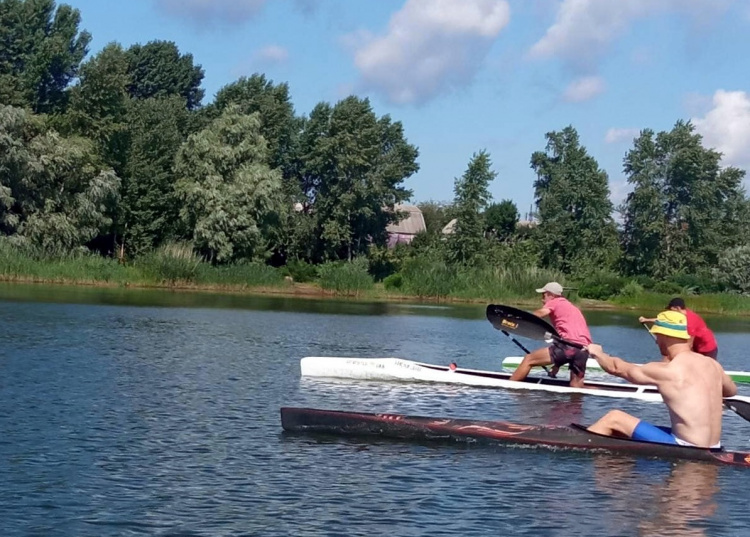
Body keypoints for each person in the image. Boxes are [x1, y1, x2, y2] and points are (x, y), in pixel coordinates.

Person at [586, 310, 737, 448]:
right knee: (624, 430)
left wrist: (598, 354)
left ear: (664, 336)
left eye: (657, 336)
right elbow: (731, 391)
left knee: (614, 418)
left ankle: (576, 447)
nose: (657, 341)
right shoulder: (712, 365)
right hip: (715, 447)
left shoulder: (668, 370)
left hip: (686, 446)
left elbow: (616, 368)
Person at [509, 282, 592, 388]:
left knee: (529, 359)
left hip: (568, 346)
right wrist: (557, 365)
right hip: (583, 351)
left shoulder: (555, 302)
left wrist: (519, 320)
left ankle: (509, 387)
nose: (541, 298)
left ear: (550, 295)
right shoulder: (572, 308)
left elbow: (540, 313)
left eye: (543, 295)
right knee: (576, 388)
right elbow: (573, 346)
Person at [639, 297, 718, 359]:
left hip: (707, 348)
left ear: (678, 308)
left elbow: (689, 345)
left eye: (671, 310)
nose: (670, 312)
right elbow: (665, 320)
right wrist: (646, 320)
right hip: (696, 346)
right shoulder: (681, 315)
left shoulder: (690, 321)